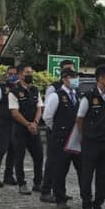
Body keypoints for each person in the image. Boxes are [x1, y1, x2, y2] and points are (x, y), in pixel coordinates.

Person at [76, 65, 105, 209]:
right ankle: (86, 208)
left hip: (104, 141)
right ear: (100, 78)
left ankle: (98, 206)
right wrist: (83, 136)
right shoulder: (89, 96)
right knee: (87, 176)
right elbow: (80, 118)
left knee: (102, 176)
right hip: (90, 141)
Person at [43, 69, 82, 209]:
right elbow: (47, 117)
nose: (75, 80)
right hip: (61, 138)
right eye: (73, 77)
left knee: (82, 169)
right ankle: (60, 198)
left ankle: (86, 198)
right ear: (65, 79)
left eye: (76, 77)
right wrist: (59, 129)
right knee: (60, 170)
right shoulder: (56, 96)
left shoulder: (77, 95)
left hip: (76, 138)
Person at [40, 59, 76, 197]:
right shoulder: (53, 89)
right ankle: (46, 189)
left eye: (72, 70)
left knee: (64, 164)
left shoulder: (75, 91)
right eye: (67, 70)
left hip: (70, 134)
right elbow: (48, 114)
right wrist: (56, 128)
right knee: (52, 162)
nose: (71, 74)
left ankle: (59, 191)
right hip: (55, 132)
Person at [8, 65, 44, 195]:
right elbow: (14, 113)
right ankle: (21, 183)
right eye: (27, 72)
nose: (30, 75)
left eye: (31, 72)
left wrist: (35, 123)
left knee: (39, 156)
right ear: (20, 75)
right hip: (20, 129)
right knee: (19, 157)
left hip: (34, 128)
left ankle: (38, 183)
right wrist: (28, 124)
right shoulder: (14, 92)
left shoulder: (35, 90)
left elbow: (39, 107)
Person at [0, 66, 18, 187]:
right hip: (4, 123)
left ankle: (8, 176)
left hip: (16, 123)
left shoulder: (19, 88)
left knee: (13, 150)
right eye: (10, 74)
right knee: (2, 149)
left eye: (14, 74)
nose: (12, 76)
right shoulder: (0, 88)